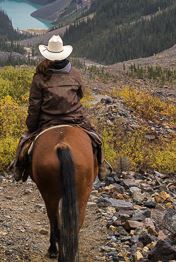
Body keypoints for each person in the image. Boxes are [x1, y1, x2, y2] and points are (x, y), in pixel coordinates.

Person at [13, 35, 111, 182]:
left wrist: (31, 126)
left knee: (24, 142)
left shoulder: (39, 77)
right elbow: (81, 94)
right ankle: (102, 166)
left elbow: (34, 106)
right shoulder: (74, 73)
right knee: (96, 138)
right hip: (75, 119)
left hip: (48, 121)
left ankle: (18, 169)